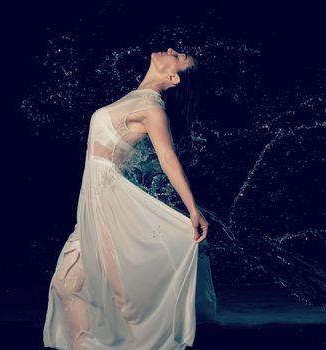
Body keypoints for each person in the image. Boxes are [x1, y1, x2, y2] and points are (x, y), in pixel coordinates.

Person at [43, 47, 217, 350]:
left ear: (174, 77)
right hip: (93, 201)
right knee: (65, 285)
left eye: (177, 57)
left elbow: (167, 157)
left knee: (122, 296)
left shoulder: (152, 108)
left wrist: (192, 209)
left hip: (108, 201)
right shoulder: (135, 98)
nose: (171, 50)